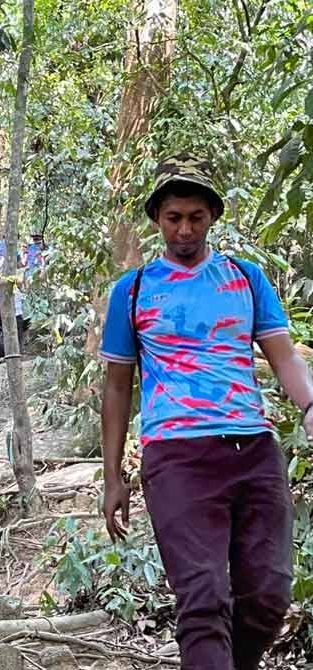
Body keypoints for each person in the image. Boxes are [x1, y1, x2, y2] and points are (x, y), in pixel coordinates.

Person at [99, 153, 313, 669]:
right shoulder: (131, 292)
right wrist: (112, 476)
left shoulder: (245, 277)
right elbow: (117, 386)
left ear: (213, 217)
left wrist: (310, 403)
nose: (185, 229)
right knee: (203, 602)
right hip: (176, 457)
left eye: (196, 217)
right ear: (157, 219)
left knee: (268, 597)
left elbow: (283, 356)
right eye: (174, 217)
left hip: (254, 449)